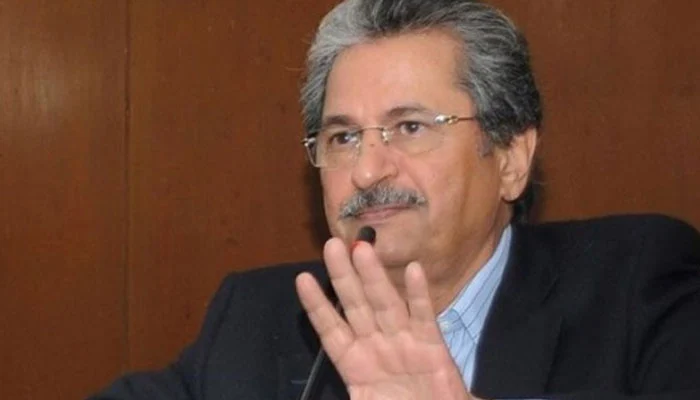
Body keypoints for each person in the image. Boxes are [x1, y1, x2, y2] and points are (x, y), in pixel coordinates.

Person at [90, 0, 700, 399]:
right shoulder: (258, 319)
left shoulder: (637, 287)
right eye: (343, 137)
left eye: (410, 127)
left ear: (511, 157)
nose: (367, 170)